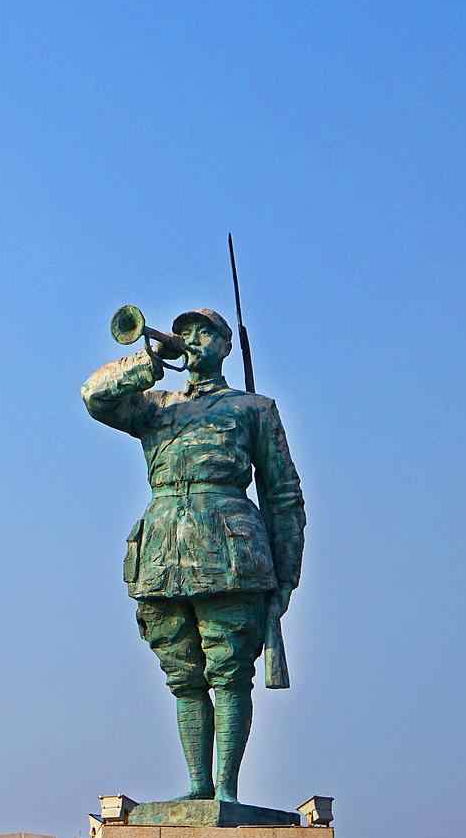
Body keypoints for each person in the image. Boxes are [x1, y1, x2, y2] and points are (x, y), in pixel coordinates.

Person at [80, 308, 306, 802]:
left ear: (226, 345)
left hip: (231, 552)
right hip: (162, 553)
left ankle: (225, 789)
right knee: (182, 676)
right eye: (185, 334)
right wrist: (150, 360)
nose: (192, 341)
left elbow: (283, 495)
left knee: (229, 671)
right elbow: (94, 396)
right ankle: (198, 786)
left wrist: (286, 574)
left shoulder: (253, 409)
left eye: (204, 333)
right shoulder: (156, 407)